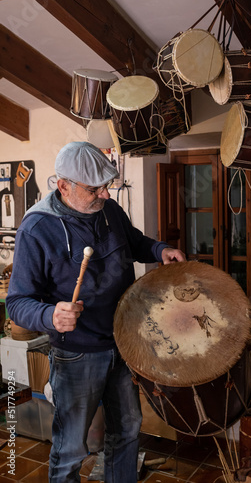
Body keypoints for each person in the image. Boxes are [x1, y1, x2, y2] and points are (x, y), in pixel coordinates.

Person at [6, 141, 186, 483]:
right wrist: (51, 315)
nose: (104, 194)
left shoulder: (108, 210)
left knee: (128, 431)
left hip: (123, 342)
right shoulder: (36, 228)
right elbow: (17, 302)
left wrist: (160, 250)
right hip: (77, 354)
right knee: (72, 447)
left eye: (106, 185)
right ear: (63, 186)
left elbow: (134, 242)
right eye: (94, 189)